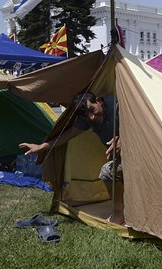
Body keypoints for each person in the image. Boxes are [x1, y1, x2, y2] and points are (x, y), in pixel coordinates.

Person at [19, 91, 123, 224]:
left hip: (141, 153)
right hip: (122, 159)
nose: (91, 117)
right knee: (108, 173)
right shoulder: (87, 118)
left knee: (108, 172)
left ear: (99, 101)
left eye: (92, 110)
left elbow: (139, 122)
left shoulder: (117, 105)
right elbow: (68, 134)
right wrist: (42, 146)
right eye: (86, 115)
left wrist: (123, 138)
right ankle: (119, 213)